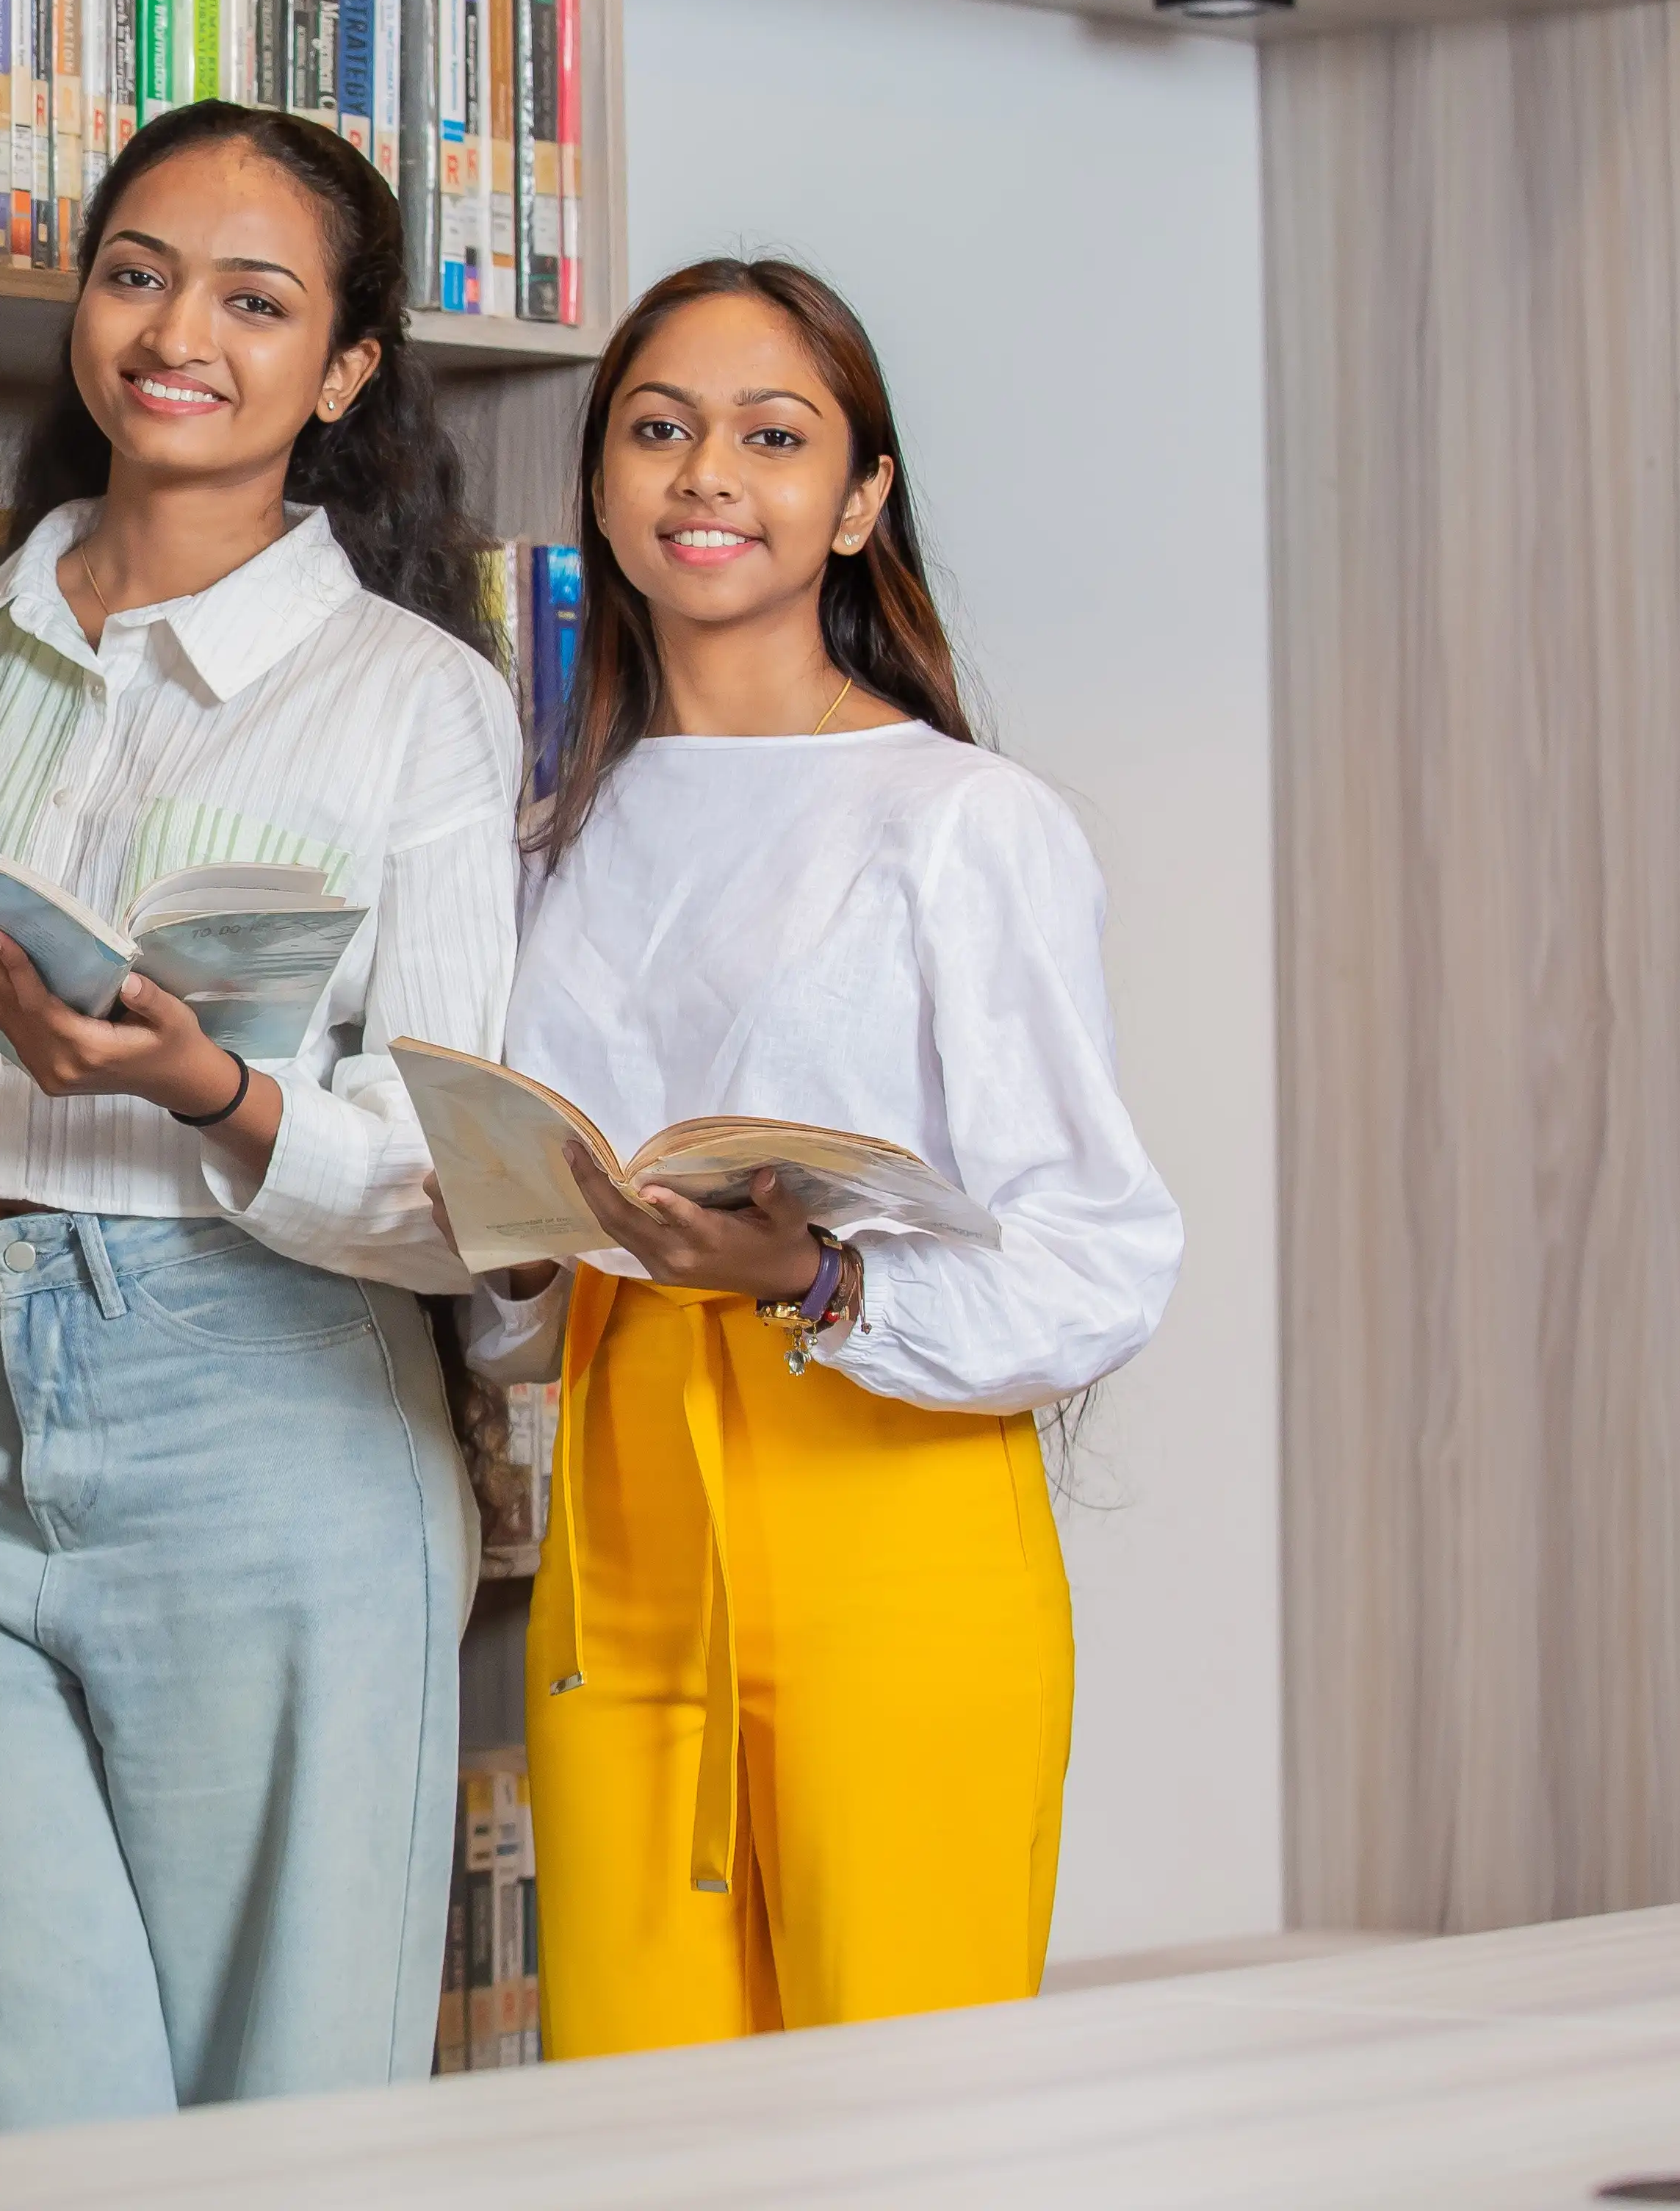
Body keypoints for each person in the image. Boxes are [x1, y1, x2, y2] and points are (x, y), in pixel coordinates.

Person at [0, 101, 526, 2131]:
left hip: (269, 1399)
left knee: (280, 2115)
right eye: (135, 272)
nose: (174, 332)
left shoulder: (417, 698)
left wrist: (217, 1094)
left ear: (348, 367)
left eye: (255, 297)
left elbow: (463, 1186)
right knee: (13, 2107)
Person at [486, 255, 1180, 2054]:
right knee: (635, 2126)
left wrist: (813, 1272)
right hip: (624, 1529)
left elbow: (1100, 1249)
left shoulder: (964, 823)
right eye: (657, 430)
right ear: (603, 488)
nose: (705, 473)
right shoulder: (545, 825)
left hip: (891, 1520)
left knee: (908, 2120)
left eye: (770, 436)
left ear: (859, 501)